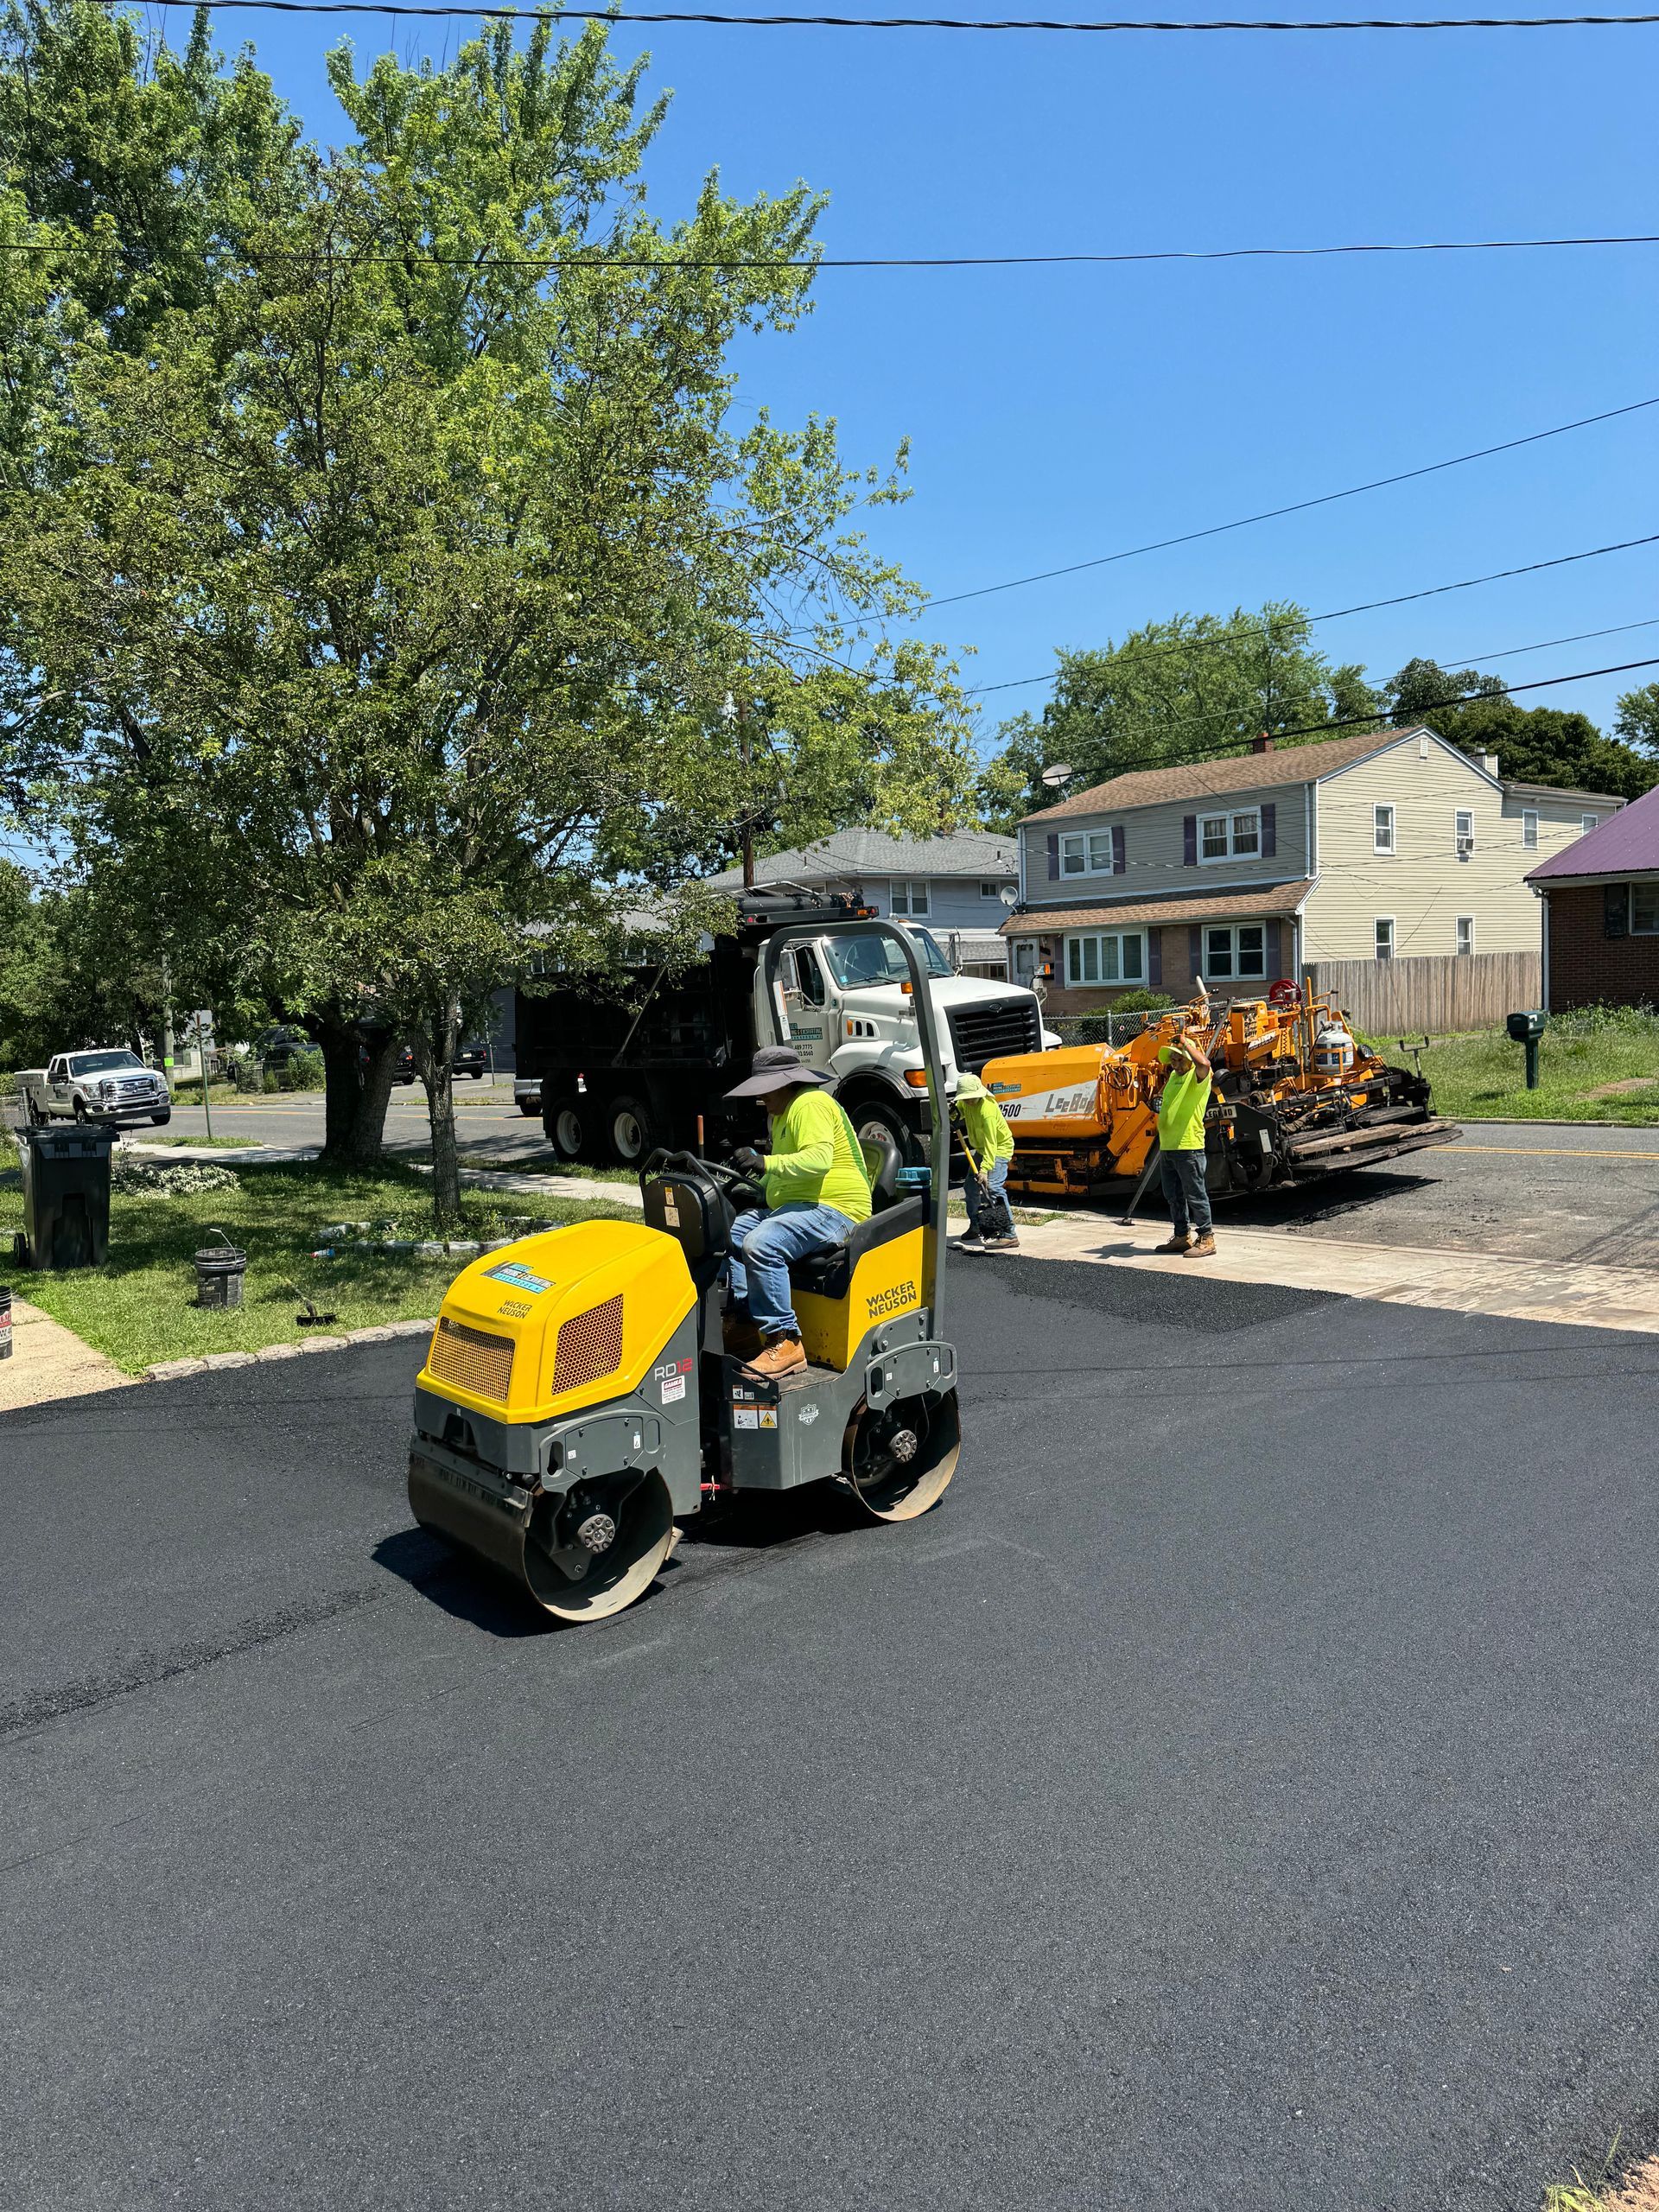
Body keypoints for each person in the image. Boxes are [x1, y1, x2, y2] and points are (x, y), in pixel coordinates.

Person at [721, 1044, 872, 1380]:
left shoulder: (810, 1104)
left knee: (762, 1244)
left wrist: (765, 1162)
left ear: (785, 1083)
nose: (761, 1098)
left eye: (765, 1090)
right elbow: (789, 1176)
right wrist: (758, 1186)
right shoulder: (782, 1115)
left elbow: (818, 1161)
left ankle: (785, 1341)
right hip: (801, 1206)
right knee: (731, 1232)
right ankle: (746, 1324)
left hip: (837, 1209)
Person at [1153, 1028, 1216, 1257]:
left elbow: (1206, 1064)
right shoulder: (1173, 1077)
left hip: (1189, 1146)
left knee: (1195, 1194)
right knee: (1173, 1195)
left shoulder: (1198, 1077)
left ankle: (1207, 1238)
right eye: (1173, 1060)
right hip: (1168, 1146)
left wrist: (1186, 1044)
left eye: (1180, 1060)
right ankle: (1181, 1236)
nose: (1176, 1064)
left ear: (1189, 1059)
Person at [952, 1071, 1018, 1253]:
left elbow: (992, 1143)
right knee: (970, 1187)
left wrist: (985, 1169)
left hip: (999, 1149)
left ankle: (1009, 1234)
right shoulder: (965, 1103)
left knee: (993, 1187)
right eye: (966, 1099)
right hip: (982, 1149)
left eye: (972, 1098)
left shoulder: (987, 1111)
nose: (969, 1102)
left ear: (979, 1094)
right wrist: (952, 1114)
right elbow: (957, 1113)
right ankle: (976, 1225)